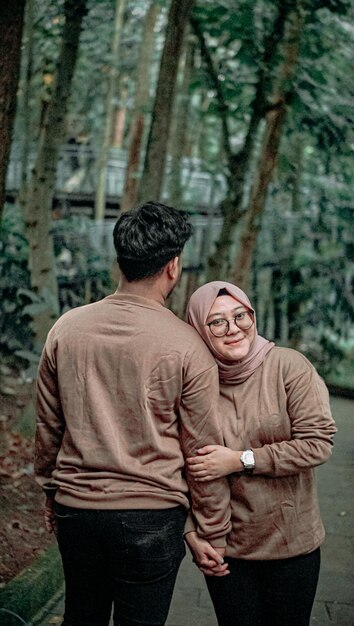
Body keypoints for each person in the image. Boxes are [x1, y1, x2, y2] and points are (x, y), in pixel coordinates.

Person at [34, 204, 231, 626]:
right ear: (173, 266)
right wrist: (209, 530)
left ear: (118, 261)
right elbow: (202, 453)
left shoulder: (66, 329)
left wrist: (51, 491)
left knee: (80, 617)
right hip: (152, 517)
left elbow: (49, 426)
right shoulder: (189, 347)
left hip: (77, 510)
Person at [184, 280, 337, 626]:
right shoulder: (194, 383)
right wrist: (191, 533)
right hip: (226, 549)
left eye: (241, 316)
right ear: (198, 329)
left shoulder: (288, 366)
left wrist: (240, 459)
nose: (233, 328)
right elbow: (177, 467)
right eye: (218, 322)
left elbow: (318, 443)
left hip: (291, 544)